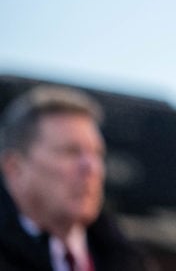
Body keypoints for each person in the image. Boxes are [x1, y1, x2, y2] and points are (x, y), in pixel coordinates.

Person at [0, 84, 153, 271]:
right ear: (15, 169)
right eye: (70, 152)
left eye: (97, 154)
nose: (92, 167)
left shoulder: (130, 259)